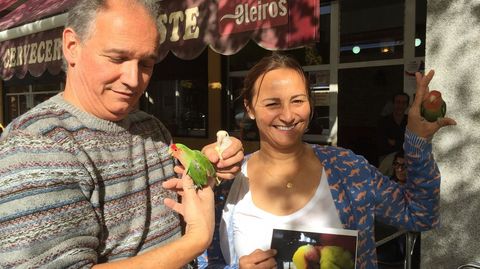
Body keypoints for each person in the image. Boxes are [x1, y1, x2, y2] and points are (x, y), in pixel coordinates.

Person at [0, 1, 244, 268]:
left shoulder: (152, 129)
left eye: (147, 64)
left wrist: (206, 165)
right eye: (118, 58)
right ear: (72, 46)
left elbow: (174, 214)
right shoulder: (34, 146)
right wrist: (195, 241)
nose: (133, 79)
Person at [197, 53, 456, 269]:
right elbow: (202, 261)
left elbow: (421, 215)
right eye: (272, 103)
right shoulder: (225, 182)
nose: (287, 115)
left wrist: (417, 142)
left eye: (297, 100)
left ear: (310, 104)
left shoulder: (347, 168)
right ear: (250, 107)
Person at [376, 92, 410, 168]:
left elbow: (412, 144)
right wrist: (401, 143)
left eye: (404, 103)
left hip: (405, 159)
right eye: (398, 102)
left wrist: (394, 142)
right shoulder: (383, 122)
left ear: (407, 105)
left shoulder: (410, 122)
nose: (400, 105)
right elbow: (381, 144)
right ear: (393, 104)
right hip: (386, 158)